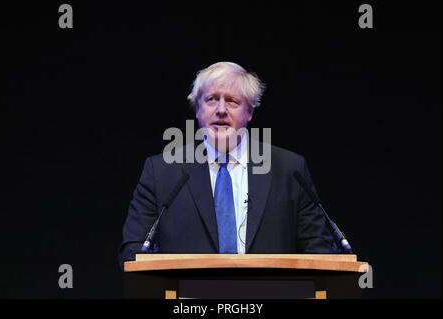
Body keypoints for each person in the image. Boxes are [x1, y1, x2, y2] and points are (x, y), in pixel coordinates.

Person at [119, 62, 334, 268]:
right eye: (211, 99)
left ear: (249, 112)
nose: (221, 110)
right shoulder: (162, 172)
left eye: (232, 101)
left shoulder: (288, 169)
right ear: (198, 109)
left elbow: (318, 249)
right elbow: (134, 252)